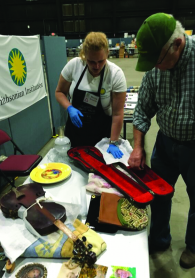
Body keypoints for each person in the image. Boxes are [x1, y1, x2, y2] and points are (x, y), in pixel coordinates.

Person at [128, 12, 195, 269]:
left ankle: (193, 246)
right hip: (165, 143)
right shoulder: (156, 70)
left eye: (157, 61)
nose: (154, 68)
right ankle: (159, 239)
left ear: (177, 44)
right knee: (158, 192)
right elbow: (143, 109)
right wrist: (137, 147)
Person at [55, 32, 127, 159]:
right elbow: (59, 92)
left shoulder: (115, 74)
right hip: (75, 132)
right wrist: (69, 108)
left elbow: (117, 113)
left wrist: (113, 141)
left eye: (101, 61)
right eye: (91, 61)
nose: (97, 66)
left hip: (101, 135)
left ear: (107, 53)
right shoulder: (74, 65)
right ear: (84, 55)